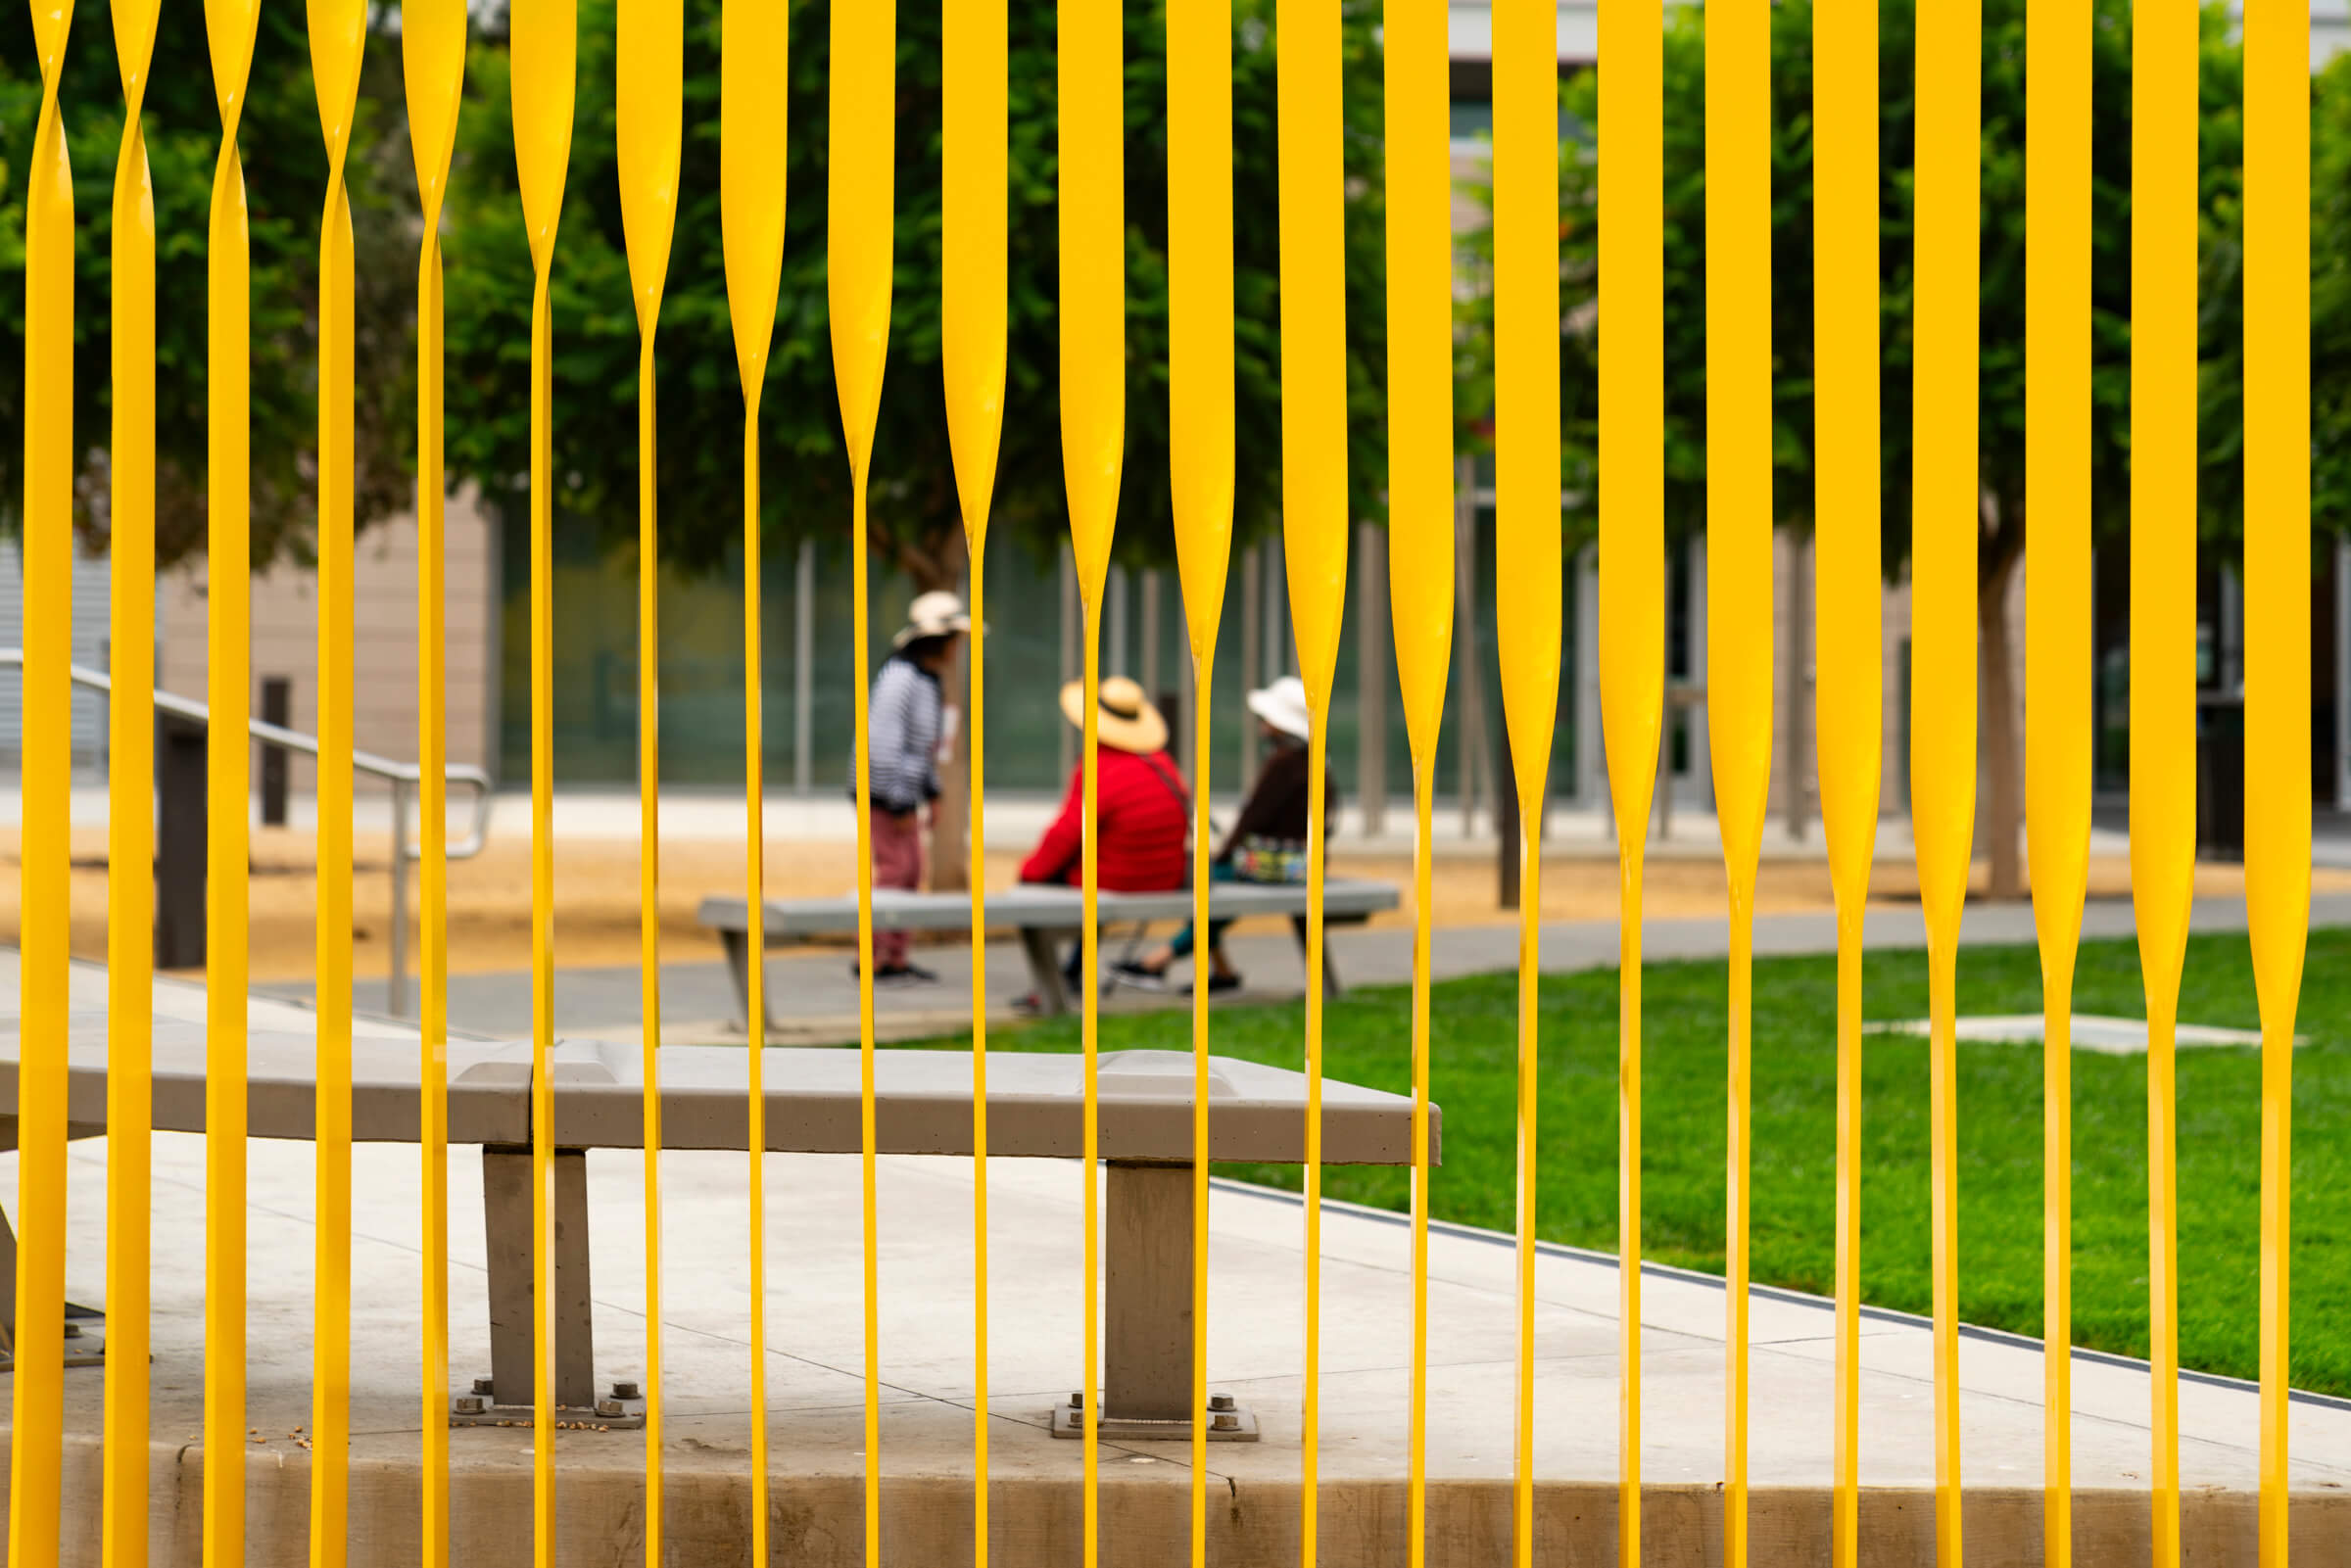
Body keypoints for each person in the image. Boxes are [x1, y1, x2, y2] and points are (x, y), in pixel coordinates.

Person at [1114, 674, 1334, 994]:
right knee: (1212, 884)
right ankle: (1218, 969)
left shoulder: (1284, 764)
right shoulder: (1312, 762)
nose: (1261, 723)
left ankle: (1160, 960)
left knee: (1209, 881)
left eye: (1266, 718)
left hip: (1280, 864)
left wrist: (1226, 851)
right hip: (1302, 862)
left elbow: (1253, 817)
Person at [1018, 675, 1190, 1000]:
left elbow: (1067, 834)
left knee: (1040, 885)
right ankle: (1071, 971)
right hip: (1164, 878)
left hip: (1118, 880)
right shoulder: (1164, 764)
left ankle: (1048, 990)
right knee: (1093, 867)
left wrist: (1029, 873)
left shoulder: (1099, 767)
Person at [860, 591, 970, 984]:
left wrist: (932, 793)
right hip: (887, 794)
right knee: (895, 871)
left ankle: (896, 955)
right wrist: (899, 803)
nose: (958, 648)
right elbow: (884, 743)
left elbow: (924, 748)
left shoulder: (926, 680)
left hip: (904, 792)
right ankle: (876, 956)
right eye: (954, 638)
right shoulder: (900, 679)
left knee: (910, 872)